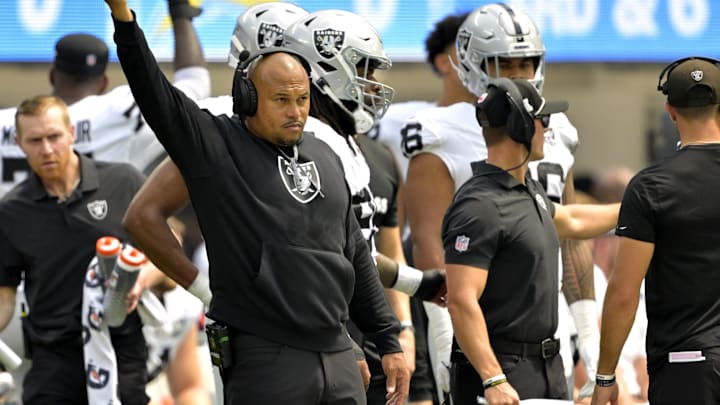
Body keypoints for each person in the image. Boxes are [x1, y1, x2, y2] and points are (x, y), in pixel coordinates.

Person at [105, 1, 409, 404]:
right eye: (281, 99)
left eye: (302, 99)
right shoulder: (216, 146)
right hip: (267, 356)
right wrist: (124, 19)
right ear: (248, 97)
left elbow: (352, 252)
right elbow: (154, 92)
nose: (296, 112)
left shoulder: (324, 152)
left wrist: (388, 338)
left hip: (338, 356)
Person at [402, 3, 599, 401]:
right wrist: (443, 337)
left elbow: (570, 231)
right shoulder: (443, 131)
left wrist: (588, 334)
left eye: (526, 64)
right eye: (506, 64)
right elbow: (429, 243)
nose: (520, 75)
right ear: (472, 64)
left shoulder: (554, 128)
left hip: (548, 327)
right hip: (485, 330)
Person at [442, 78, 619, 404]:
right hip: (502, 369)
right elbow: (460, 299)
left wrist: (641, 206)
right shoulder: (479, 205)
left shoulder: (526, 189)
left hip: (545, 366)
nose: (548, 130)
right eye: (543, 120)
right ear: (520, 126)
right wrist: (492, 378)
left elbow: (571, 220)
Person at [0, 95, 148, 404]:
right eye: (35, 140)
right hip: (52, 354)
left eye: (54, 136)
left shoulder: (123, 181)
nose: (47, 149)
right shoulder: (11, 211)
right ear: (19, 143)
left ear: (71, 133)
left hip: (119, 345)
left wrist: (142, 280)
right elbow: (5, 297)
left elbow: (168, 261)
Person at [592, 57, 720, 405]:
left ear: (670, 110)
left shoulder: (650, 187)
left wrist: (605, 377)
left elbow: (623, 292)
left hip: (687, 368)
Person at [0, 0, 209, 196]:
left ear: (53, 76)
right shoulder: (120, 112)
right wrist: (180, 12)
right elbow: (194, 85)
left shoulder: (7, 123)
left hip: (14, 231)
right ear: (103, 83)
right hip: (100, 230)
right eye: (39, 140)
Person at [368, 12, 470, 404]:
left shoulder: (505, 128)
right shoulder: (401, 121)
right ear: (445, 61)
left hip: (481, 274)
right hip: (414, 276)